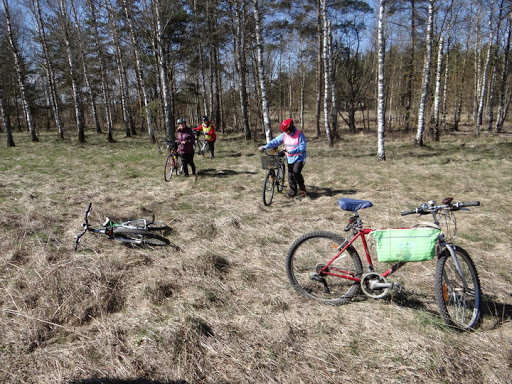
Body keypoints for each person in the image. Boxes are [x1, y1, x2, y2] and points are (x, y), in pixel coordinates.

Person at [259, 118, 307, 198]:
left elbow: (302, 147)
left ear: (291, 128)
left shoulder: (299, 134)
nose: (285, 132)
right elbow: (275, 142)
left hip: (299, 157)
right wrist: (265, 147)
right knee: (290, 176)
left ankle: (302, 189)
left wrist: (290, 151)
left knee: (296, 173)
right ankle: (293, 193)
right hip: (290, 157)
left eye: (286, 130)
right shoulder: (284, 135)